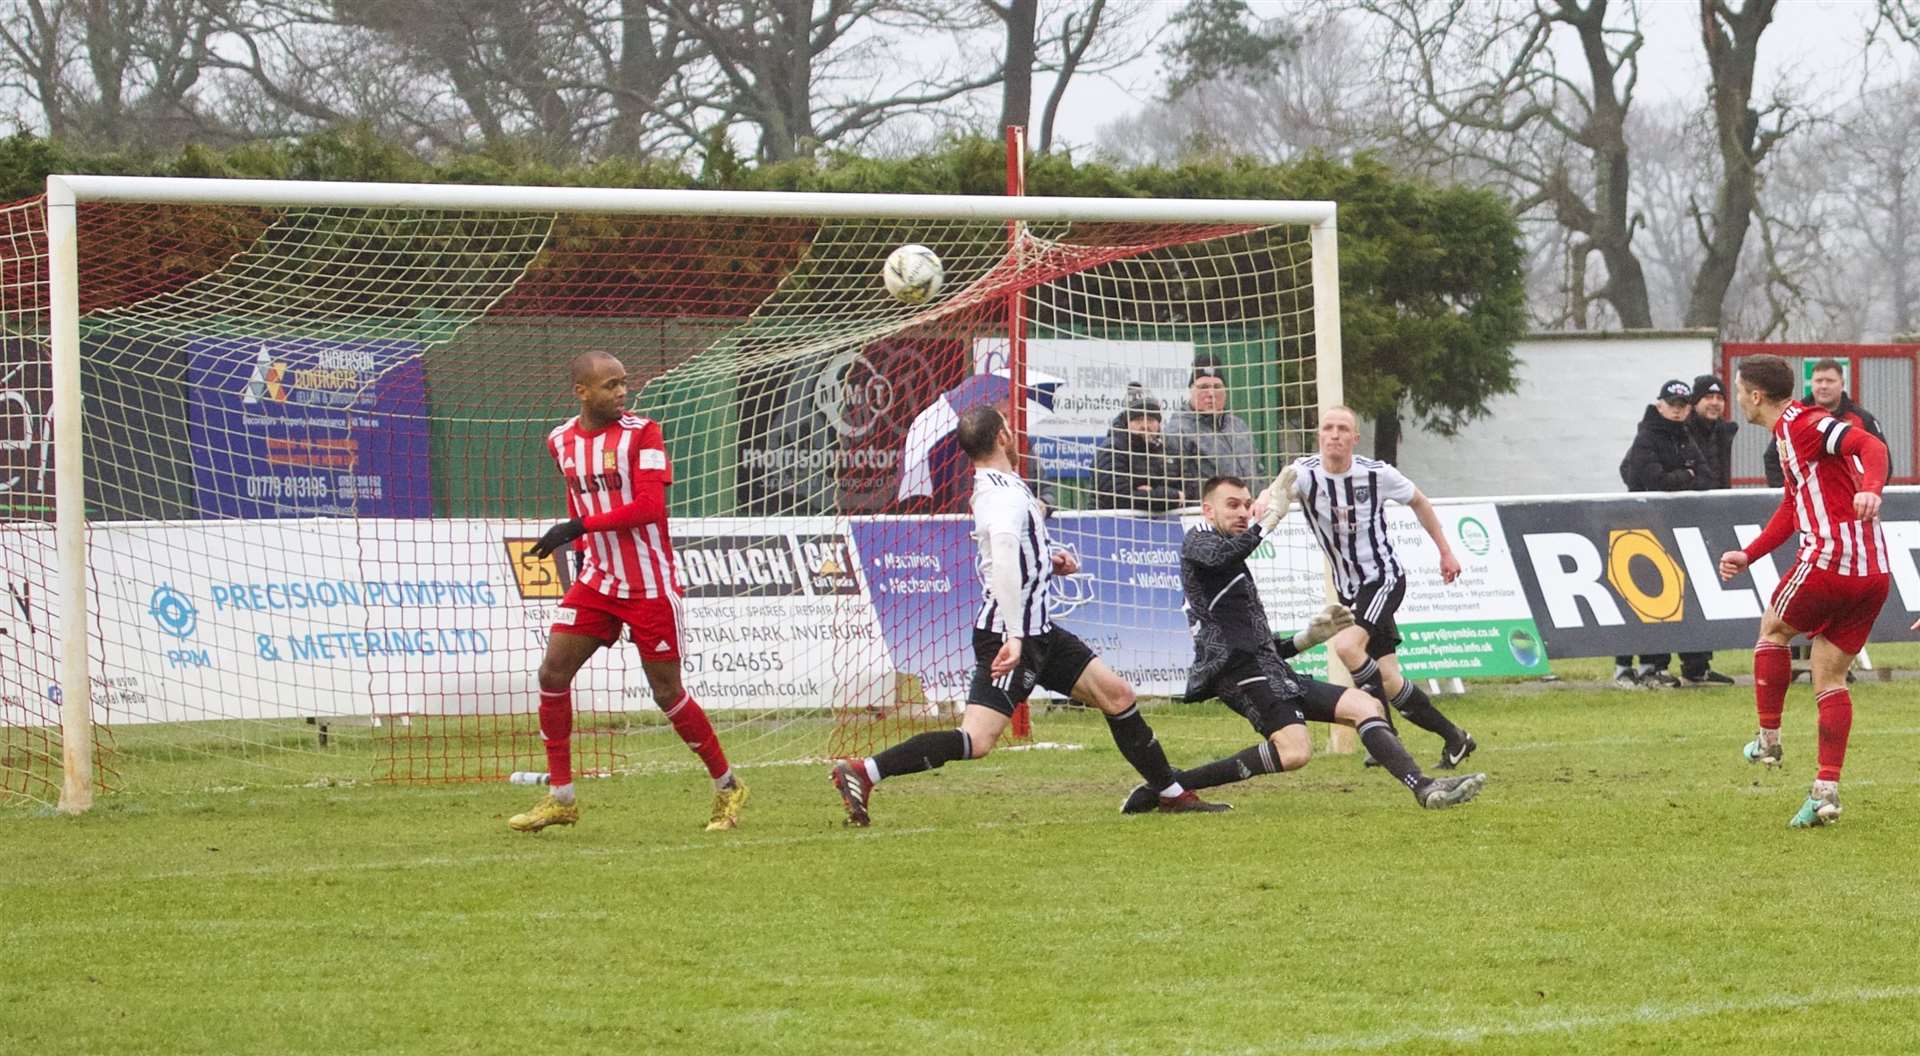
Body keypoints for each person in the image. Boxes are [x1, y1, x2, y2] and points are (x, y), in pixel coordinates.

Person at [829, 403, 1227, 825]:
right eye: (1009, 428)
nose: (1016, 434)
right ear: (1002, 437)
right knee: (977, 740)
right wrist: (1015, 637)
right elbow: (1001, 560)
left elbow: (1018, 546)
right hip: (1010, 635)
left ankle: (1170, 793)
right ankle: (863, 771)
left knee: (1118, 695)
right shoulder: (999, 495)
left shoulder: (1005, 486)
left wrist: (1046, 559)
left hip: (1040, 633)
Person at [1119, 473, 1486, 812]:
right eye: (1232, 505)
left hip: (1268, 670)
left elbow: (1263, 647)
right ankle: (1171, 786)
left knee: (1365, 704)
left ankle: (1425, 788)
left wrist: (1309, 637)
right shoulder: (1198, 541)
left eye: (1248, 505)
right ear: (1207, 509)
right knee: (1295, 752)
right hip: (1237, 673)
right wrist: (1267, 521)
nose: (1243, 512)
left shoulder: (1231, 564)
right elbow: (1224, 559)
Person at [509, 351, 748, 834]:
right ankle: (561, 798)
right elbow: (584, 498)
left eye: (624, 384)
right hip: (597, 580)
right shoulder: (560, 441)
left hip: (649, 585)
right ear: (582, 392)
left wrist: (577, 526)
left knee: (667, 692)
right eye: (610, 385)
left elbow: (648, 507)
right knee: (552, 673)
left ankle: (728, 786)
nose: (622, 392)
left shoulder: (644, 433)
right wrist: (581, 545)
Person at [1718, 354, 1891, 827]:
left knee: (1773, 629)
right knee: (1828, 674)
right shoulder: (1790, 435)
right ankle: (1825, 792)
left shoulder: (1804, 424)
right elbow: (1794, 508)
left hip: (1831, 559)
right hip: (1873, 572)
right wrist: (1749, 554)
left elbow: (1871, 446)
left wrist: (1872, 487)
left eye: (1738, 390)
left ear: (1755, 396)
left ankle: (1768, 739)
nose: (1736, 398)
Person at [1283, 406, 1477, 769]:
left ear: (1355, 438)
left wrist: (1446, 552)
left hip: (1383, 579)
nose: (1335, 434)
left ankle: (1382, 734)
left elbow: (1419, 500)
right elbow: (1274, 493)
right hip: (1350, 589)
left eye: (1343, 428)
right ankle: (1456, 738)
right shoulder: (1303, 473)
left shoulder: (1377, 474)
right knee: (1388, 678)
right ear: (1319, 436)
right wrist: (1262, 507)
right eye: (1328, 428)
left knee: (1346, 645)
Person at [1612, 379, 1712, 689]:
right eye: (1673, 405)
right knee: (1637, 596)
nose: (1678, 411)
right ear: (1660, 405)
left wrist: (1682, 477)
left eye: (1683, 406)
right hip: (1642, 526)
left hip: (1670, 527)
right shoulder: (1647, 437)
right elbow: (1652, 479)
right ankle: (1625, 666)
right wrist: (1687, 474)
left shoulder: (1683, 436)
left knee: (1665, 597)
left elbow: (1707, 476)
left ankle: (1653, 665)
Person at [1675, 375, 1740, 686]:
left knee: (1706, 591)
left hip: (1712, 520)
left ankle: (1699, 665)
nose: (1715, 403)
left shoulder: (1723, 433)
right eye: (1708, 397)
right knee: (1683, 593)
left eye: (1720, 397)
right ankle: (1677, 663)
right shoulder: (1680, 432)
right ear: (1695, 402)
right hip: (1682, 521)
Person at [1763, 357, 1885, 488]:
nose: (1824, 386)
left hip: (1852, 501)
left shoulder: (1862, 419)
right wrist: (1786, 493)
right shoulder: (1793, 418)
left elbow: (1880, 457)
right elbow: (1772, 458)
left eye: (1830, 381)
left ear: (1842, 384)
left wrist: (1869, 491)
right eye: (1818, 381)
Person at [1163, 359, 1264, 491]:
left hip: (1250, 508)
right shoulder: (1178, 431)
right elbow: (1175, 483)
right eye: (1203, 387)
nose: (1211, 394)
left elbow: (1258, 470)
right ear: (1191, 391)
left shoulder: (1239, 426)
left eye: (1217, 387)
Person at [1091, 388, 1189, 513]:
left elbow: (1186, 492)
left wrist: (1150, 494)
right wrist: (1169, 497)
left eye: (1151, 420)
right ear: (1128, 423)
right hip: (1113, 527)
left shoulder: (1169, 449)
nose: (1145, 425)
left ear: (1159, 424)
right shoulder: (1112, 449)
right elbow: (1117, 498)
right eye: (1138, 420)